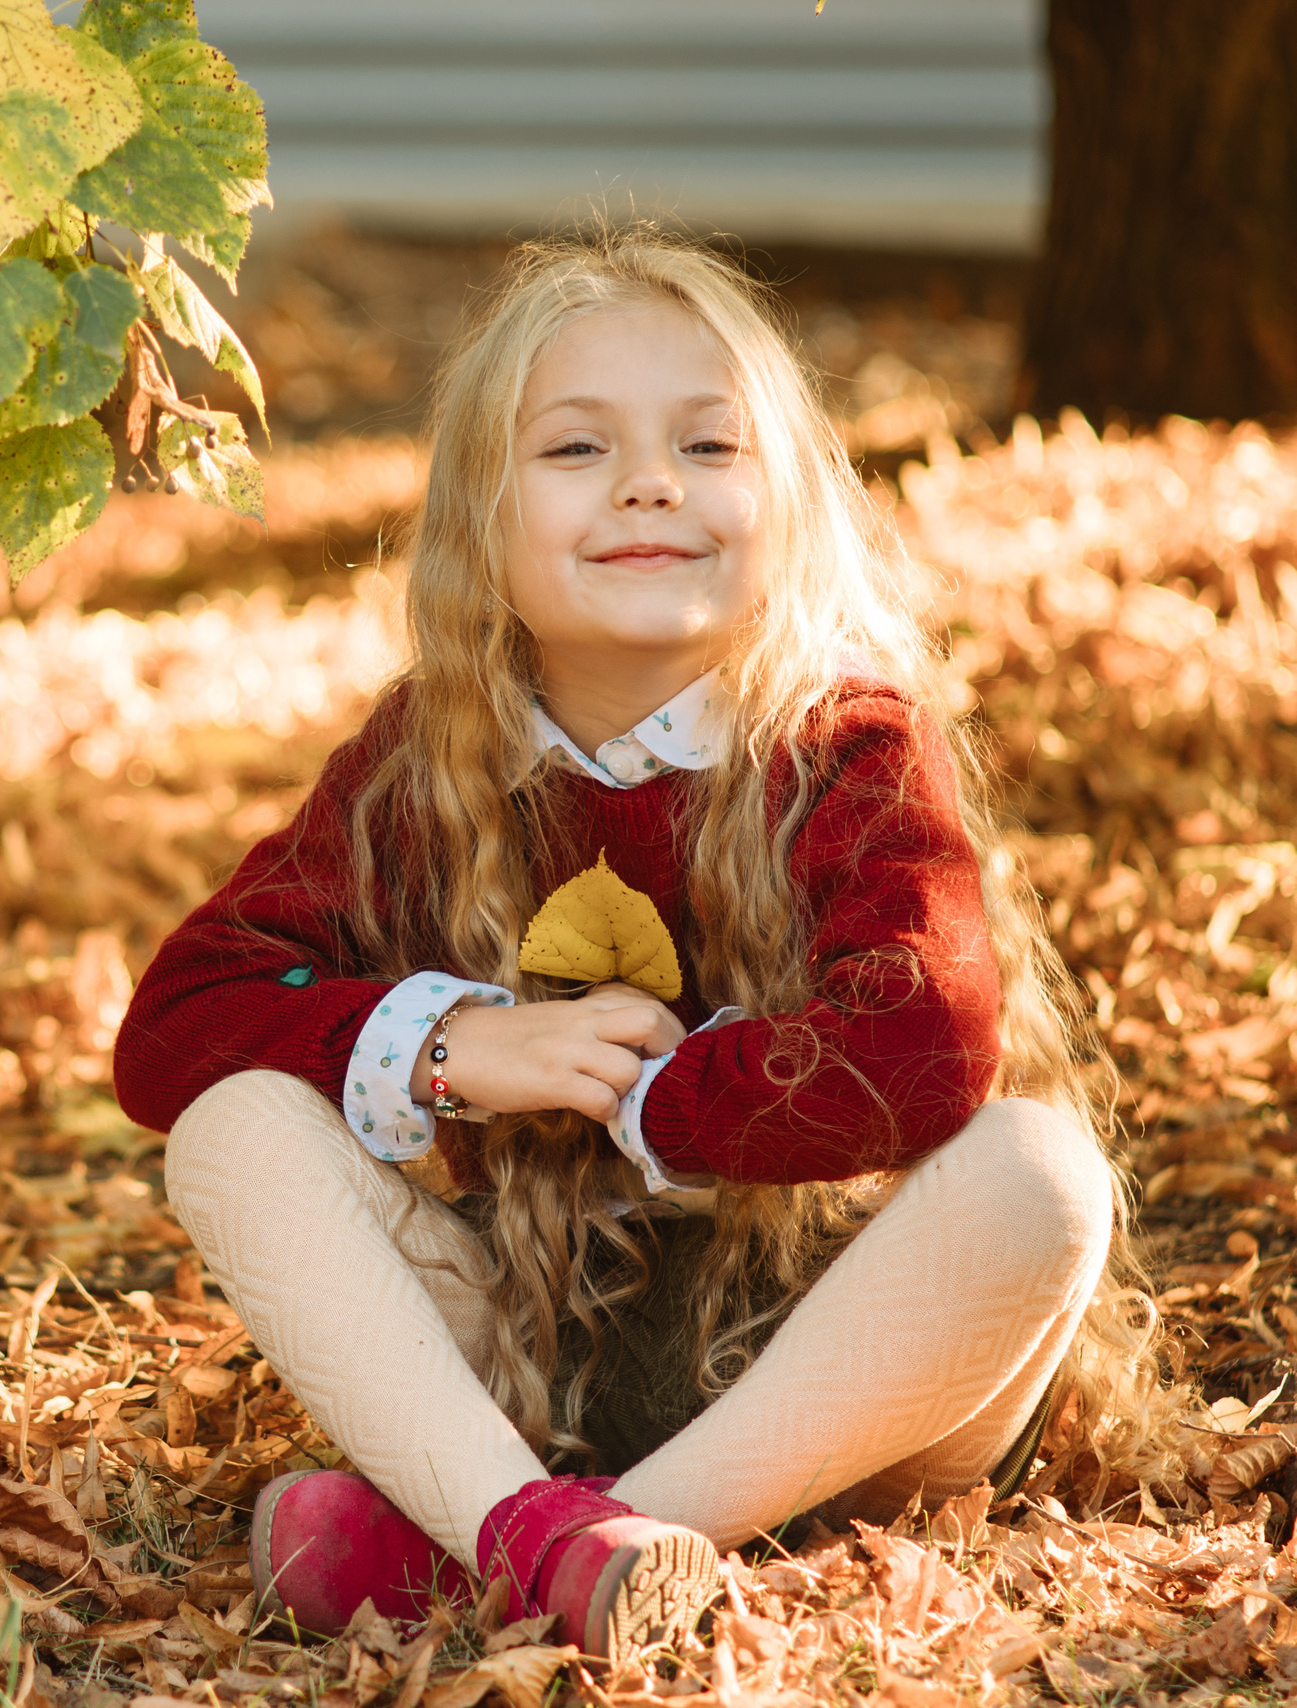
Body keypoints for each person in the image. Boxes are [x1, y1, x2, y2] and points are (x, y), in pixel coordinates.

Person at [112, 229, 1170, 1659]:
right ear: (480, 519)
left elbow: (930, 1048)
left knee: (1042, 1177)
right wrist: (459, 1046)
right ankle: (558, 1544)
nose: (648, 482)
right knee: (231, 1126)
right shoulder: (427, 765)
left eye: (707, 442)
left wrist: (651, 1095)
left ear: (785, 506)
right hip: (534, 1364)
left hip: (847, 1377)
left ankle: (529, 1545)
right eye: (574, 450)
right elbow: (179, 1018)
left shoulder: (846, 746)